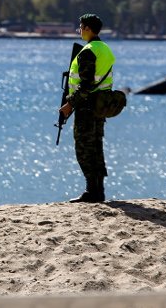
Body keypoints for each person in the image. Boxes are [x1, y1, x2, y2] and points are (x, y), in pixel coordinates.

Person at [59, 14, 115, 203]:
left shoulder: (88, 51)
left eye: (81, 27)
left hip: (87, 107)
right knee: (96, 146)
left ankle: (92, 191)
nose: (80, 31)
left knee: (84, 148)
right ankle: (98, 190)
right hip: (100, 106)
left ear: (89, 28)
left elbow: (86, 85)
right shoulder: (104, 49)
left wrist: (69, 104)